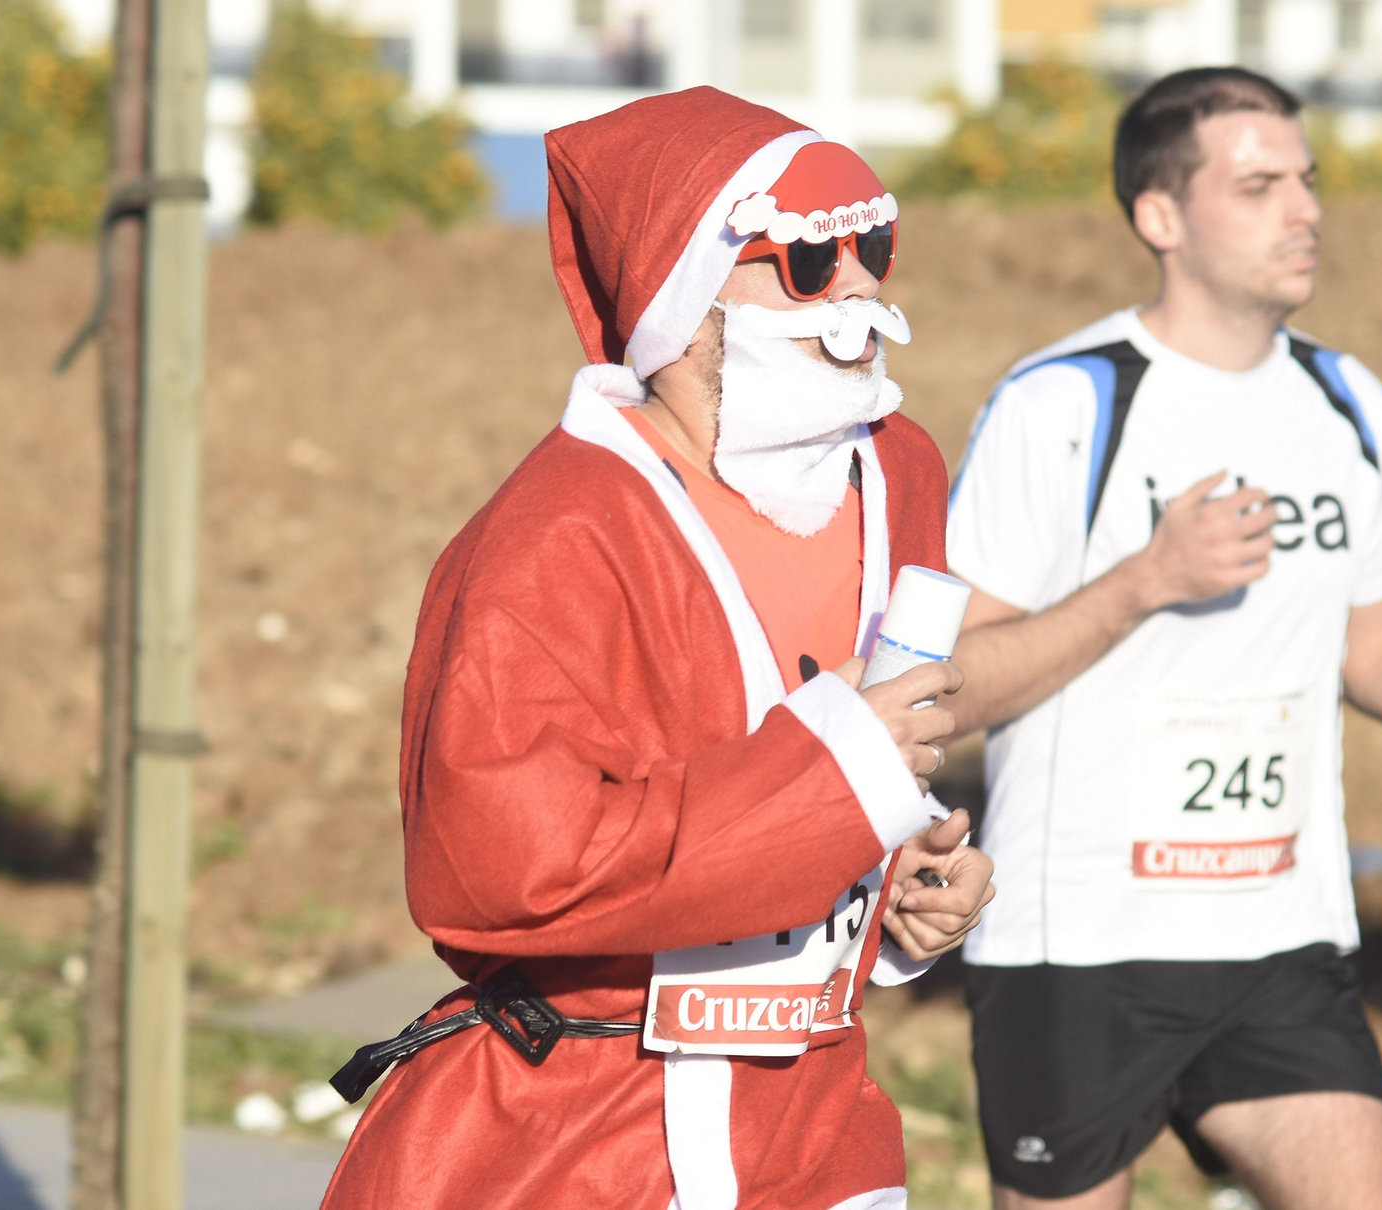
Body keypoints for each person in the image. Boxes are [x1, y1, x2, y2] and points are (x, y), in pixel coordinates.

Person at [319, 86, 994, 1210]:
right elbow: (500, 872)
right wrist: (836, 785)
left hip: (816, 1126)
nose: (861, 291)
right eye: (806, 264)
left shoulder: (899, 469)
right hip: (584, 1135)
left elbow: (850, 784)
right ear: (682, 296)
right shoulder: (551, 535)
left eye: (873, 244)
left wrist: (898, 892)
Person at [944, 67, 1382, 1210]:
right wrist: (1144, 581)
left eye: (1307, 181)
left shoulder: (1348, 402)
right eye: (1260, 185)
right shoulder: (1064, 406)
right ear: (1159, 217)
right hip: (1078, 943)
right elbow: (950, 684)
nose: (1306, 210)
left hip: (1279, 937)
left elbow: (1371, 650)